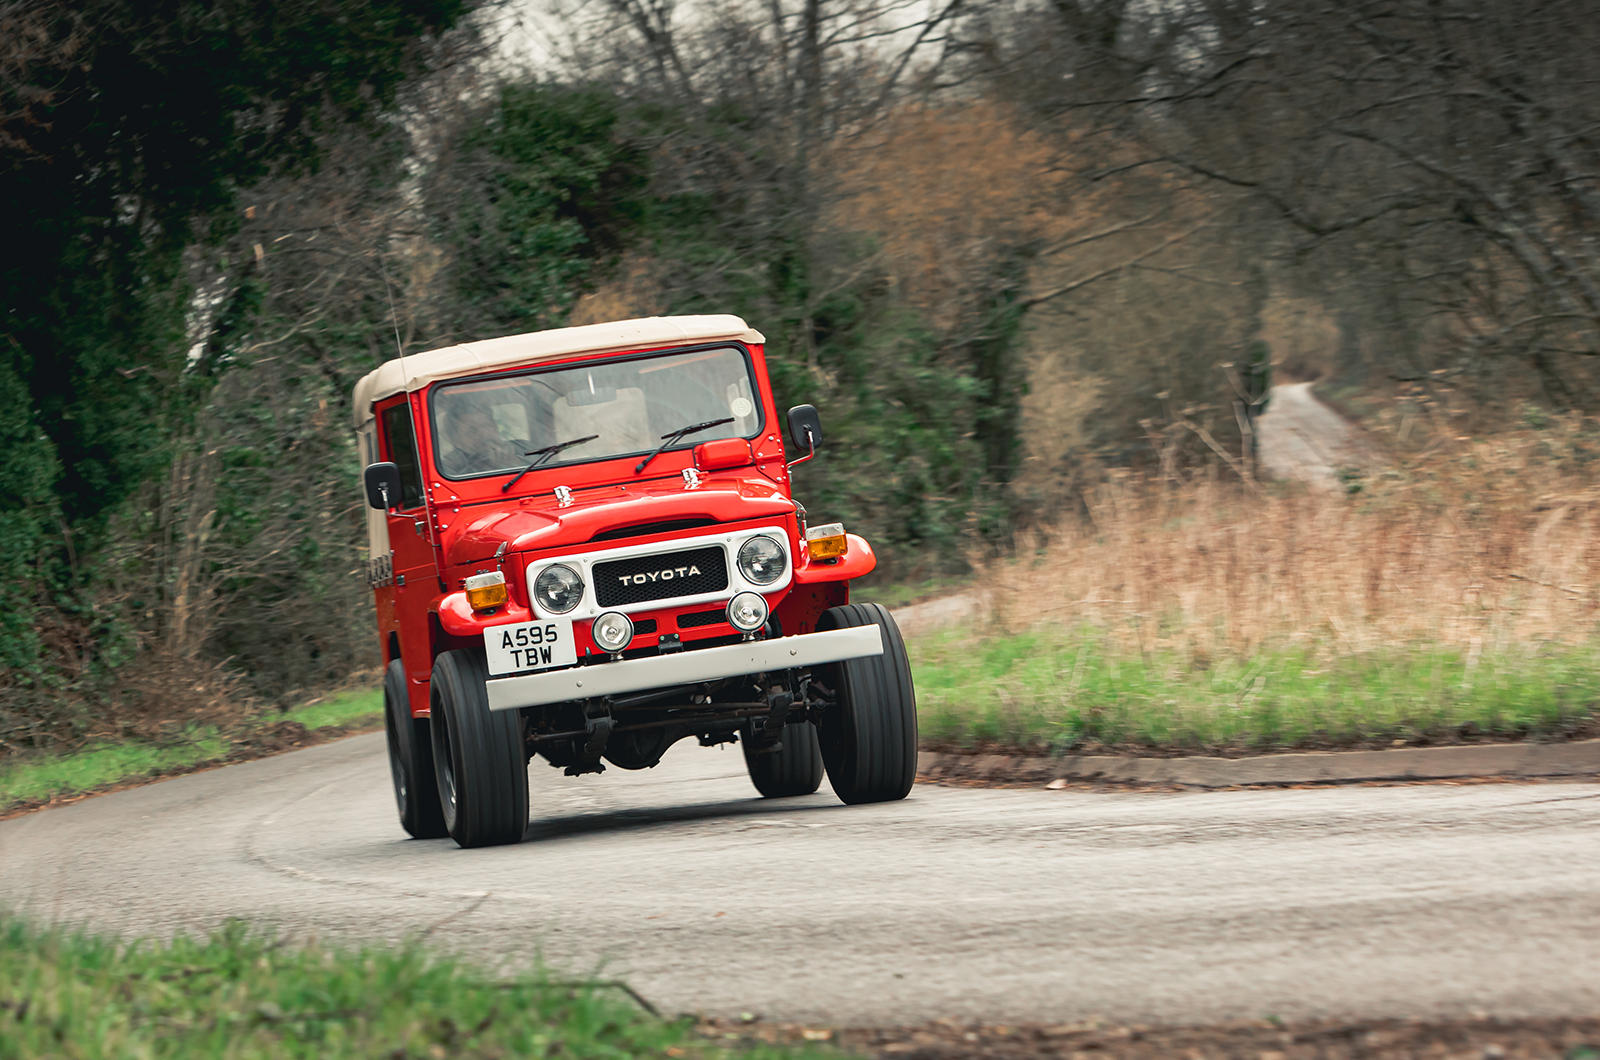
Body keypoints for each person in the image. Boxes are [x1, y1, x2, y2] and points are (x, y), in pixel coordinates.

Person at [443, 406, 523, 476]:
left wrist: (516, 465)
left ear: (496, 426)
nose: (483, 435)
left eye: (487, 426)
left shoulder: (520, 449)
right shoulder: (448, 469)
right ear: (455, 439)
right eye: (472, 431)